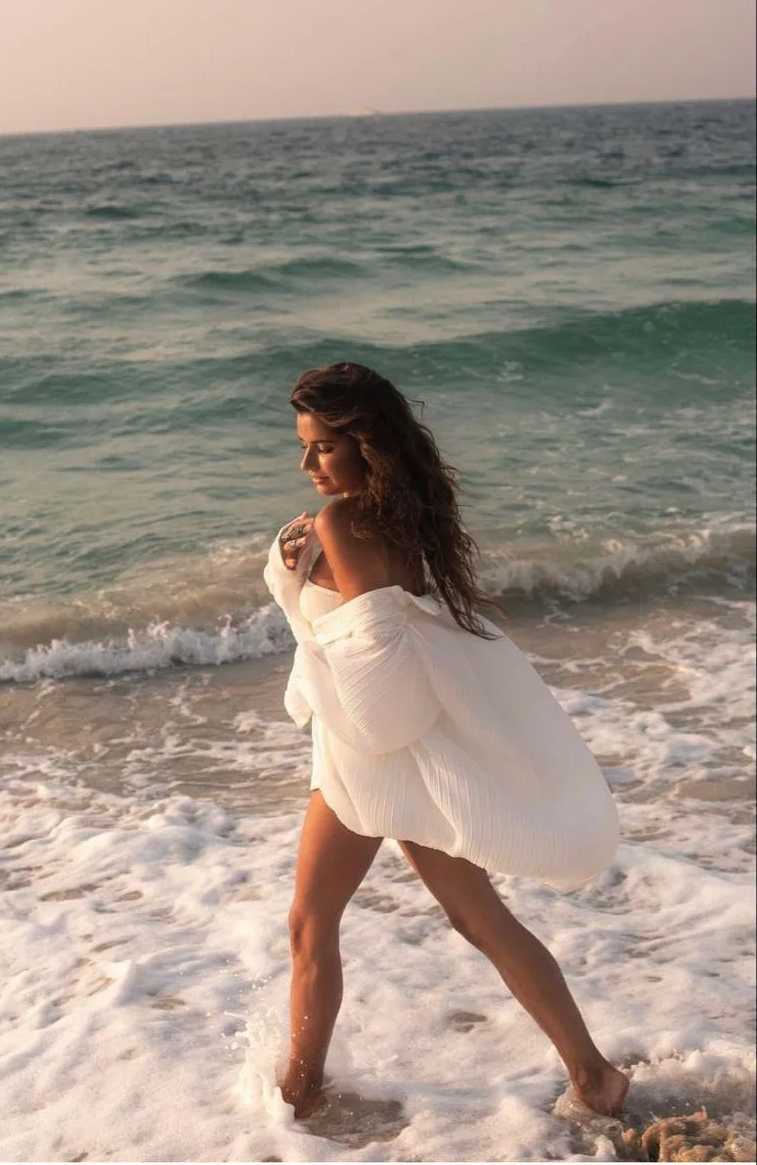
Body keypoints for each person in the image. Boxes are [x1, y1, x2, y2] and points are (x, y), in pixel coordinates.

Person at [263, 361, 629, 1122]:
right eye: (303, 448)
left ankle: (299, 1096)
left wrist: (293, 572)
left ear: (365, 442)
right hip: (407, 742)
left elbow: (376, 663)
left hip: (374, 750)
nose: (307, 466)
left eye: (322, 447)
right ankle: (592, 1074)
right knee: (477, 917)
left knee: (310, 922)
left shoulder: (341, 524)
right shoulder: (406, 512)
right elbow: (398, 629)